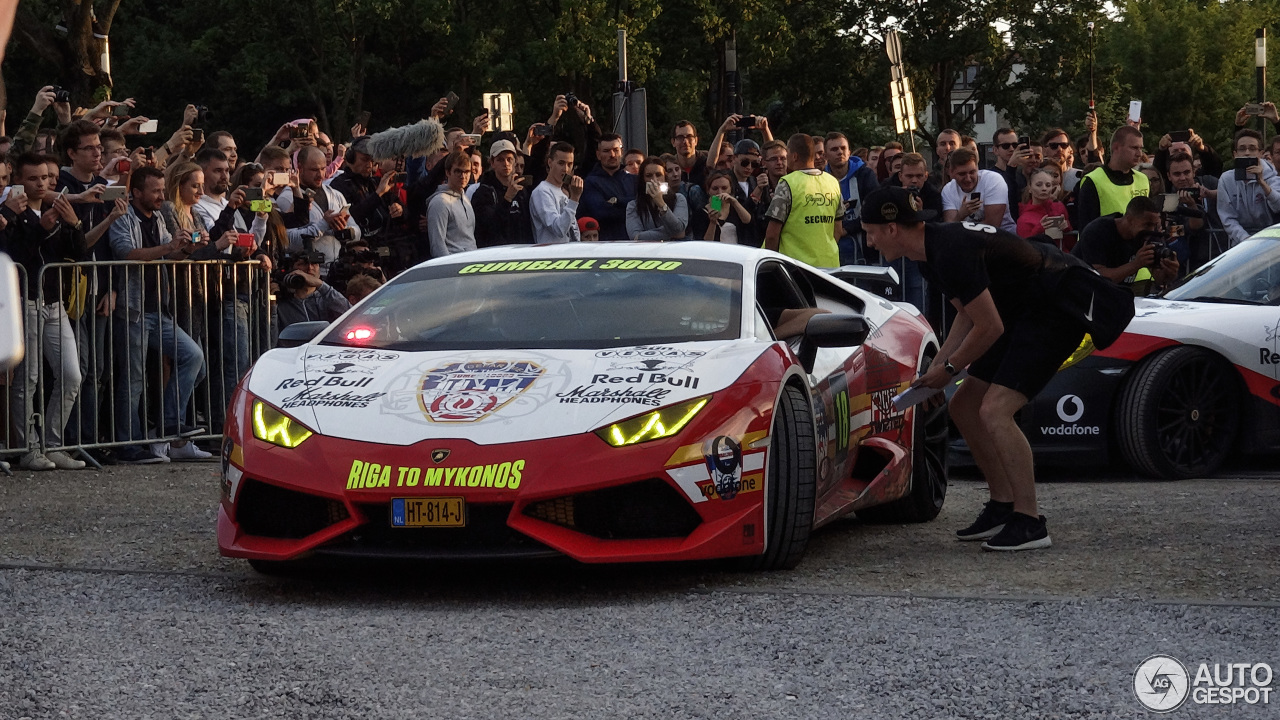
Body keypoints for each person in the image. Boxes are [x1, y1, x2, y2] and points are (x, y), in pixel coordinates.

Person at [863, 185, 1131, 551]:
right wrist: (937, 369)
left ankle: (1030, 520)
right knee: (963, 405)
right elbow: (965, 315)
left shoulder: (948, 250)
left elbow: (989, 327)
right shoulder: (929, 253)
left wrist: (951, 369)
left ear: (892, 228)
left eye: (871, 231)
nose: (871, 242)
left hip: (1054, 308)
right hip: (1020, 311)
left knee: (995, 410)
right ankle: (1003, 504)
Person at [108, 166, 206, 464]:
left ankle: (168, 423)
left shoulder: (160, 216)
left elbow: (169, 253)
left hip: (157, 310)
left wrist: (186, 249)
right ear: (136, 192)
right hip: (132, 310)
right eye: (155, 191)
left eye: (163, 191)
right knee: (133, 379)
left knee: (193, 356)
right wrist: (168, 246)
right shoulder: (124, 217)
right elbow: (126, 253)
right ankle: (129, 444)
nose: (161, 197)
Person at [0, 152, 89, 470]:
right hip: (25, 301)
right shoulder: (13, 211)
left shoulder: (55, 207)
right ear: (19, 181)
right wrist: (42, 228)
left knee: (71, 374)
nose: (42, 184)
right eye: (33, 178)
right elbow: (14, 255)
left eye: (46, 178)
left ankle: (53, 444)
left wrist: (73, 223)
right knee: (30, 377)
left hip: (54, 303)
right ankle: (28, 447)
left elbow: (78, 253)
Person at [275, 146, 360, 273]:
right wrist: (324, 225)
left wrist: (346, 232)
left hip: (337, 270)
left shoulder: (335, 195)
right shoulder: (287, 198)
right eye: (314, 170)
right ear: (300, 167)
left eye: (323, 168)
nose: (320, 174)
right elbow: (287, 241)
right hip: (307, 272)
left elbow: (357, 231)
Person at [1072, 195, 1177, 295]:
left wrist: (1169, 272)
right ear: (1129, 219)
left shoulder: (1148, 237)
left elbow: (1159, 278)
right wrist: (1136, 264)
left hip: (1114, 295)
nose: (1151, 230)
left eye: (1154, 225)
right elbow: (1098, 277)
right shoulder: (1098, 231)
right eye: (1147, 224)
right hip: (1079, 291)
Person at [762, 134, 841, 267]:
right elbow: (838, 229)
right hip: (829, 264)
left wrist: (771, 265)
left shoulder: (788, 182)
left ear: (794, 156)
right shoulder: (832, 182)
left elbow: (772, 234)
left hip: (795, 267)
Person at [1075, 126, 1148, 230]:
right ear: (1116, 147)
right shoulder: (1093, 181)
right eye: (1134, 148)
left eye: (1141, 148)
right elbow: (1086, 229)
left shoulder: (1143, 179)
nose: (1139, 154)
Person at [1216, 128, 1280, 246]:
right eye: (1242, 149)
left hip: (1270, 241)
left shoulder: (1272, 177)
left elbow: (1277, 207)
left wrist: (1262, 182)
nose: (1247, 153)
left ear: (1260, 153)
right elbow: (1227, 217)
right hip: (1241, 243)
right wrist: (1246, 240)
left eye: (1252, 148)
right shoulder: (1226, 179)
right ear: (1235, 154)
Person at [824, 131, 879, 265]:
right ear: (825, 155)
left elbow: (875, 209)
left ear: (849, 152)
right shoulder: (820, 180)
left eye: (843, 148)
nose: (840, 152)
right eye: (834, 149)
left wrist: (846, 228)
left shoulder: (865, 175)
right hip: (832, 251)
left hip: (865, 250)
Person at [471, 139, 533, 246]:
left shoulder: (521, 191)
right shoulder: (483, 192)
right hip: (496, 253)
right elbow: (489, 226)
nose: (506, 164)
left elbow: (527, 225)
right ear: (492, 163)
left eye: (509, 159)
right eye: (500, 160)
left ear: (515, 162)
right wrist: (507, 199)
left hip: (521, 250)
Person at [940, 148, 1016, 233]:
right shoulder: (948, 189)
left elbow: (992, 226)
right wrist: (961, 214)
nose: (968, 179)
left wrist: (961, 226)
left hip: (1003, 237)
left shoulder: (993, 180)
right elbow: (949, 229)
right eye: (962, 174)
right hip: (966, 240)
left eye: (972, 172)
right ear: (951, 172)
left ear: (978, 168)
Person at [576, 134, 632, 242]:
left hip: (634, 244)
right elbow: (601, 213)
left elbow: (641, 206)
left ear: (622, 151)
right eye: (606, 151)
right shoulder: (590, 183)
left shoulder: (634, 180)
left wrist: (616, 201)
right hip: (604, 245)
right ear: (598, 154)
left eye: (616, 150)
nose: (612, 155)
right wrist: (631, 207)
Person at [277, 251, 352, 330]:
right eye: (303, 264)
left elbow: (351, 315)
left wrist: (321, 285)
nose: (310, 268)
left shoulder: (328, 298)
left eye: (314, 264)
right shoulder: (282, 304)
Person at [425, 148, 477, 257]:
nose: (463, 176)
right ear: (448, 172)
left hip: (471, 263)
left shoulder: (466, 198)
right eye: (458, 171)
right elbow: (437, 245)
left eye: (466, 171)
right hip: (453, 265)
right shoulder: (439, 202)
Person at [624, 156, 688, 242]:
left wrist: (661, 204)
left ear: (665, 177)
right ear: (643, 179)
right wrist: (672, 234)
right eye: (648, 176)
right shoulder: (633, 206)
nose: (654, 180)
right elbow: (636, 237)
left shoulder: (678, 199)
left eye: (658, 175)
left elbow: (678, 228)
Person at [530, 142, 583, 243]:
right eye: (561, 163)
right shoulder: (542, 191)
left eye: (569, 164)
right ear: (550, 162)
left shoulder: (563, 192)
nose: (565, 169)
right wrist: (574, 198)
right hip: (552, 255)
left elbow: (573, 229)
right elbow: (559, 229)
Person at [693, 171, 752, 243]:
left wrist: (734, 202)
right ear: (708, 190)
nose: (720, 192)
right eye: (715, 189)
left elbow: (747, 220)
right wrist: (713, 222)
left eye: (724, 188)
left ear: (730, 189)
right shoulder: (700, 212)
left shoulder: (736, 207)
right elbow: (705, 243)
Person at [1016, 167, 1071, 241]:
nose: (1044, 188)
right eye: (1039, 185)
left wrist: (1066, 227)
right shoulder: (1024, 219)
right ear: (1030, 188)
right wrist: (1039, 230)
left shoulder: (1059, 207)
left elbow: (1070, 241)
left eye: (1048, 185)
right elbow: (1024, 247)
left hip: (1061, 251)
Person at [671, 121, 709, 191]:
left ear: (696, 141)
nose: (685, 141)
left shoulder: (707, 163)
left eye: (689, 137)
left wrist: (715, 202)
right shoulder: (668, 168)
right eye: (680, 137)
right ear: (673, 142)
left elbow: (717, 194)